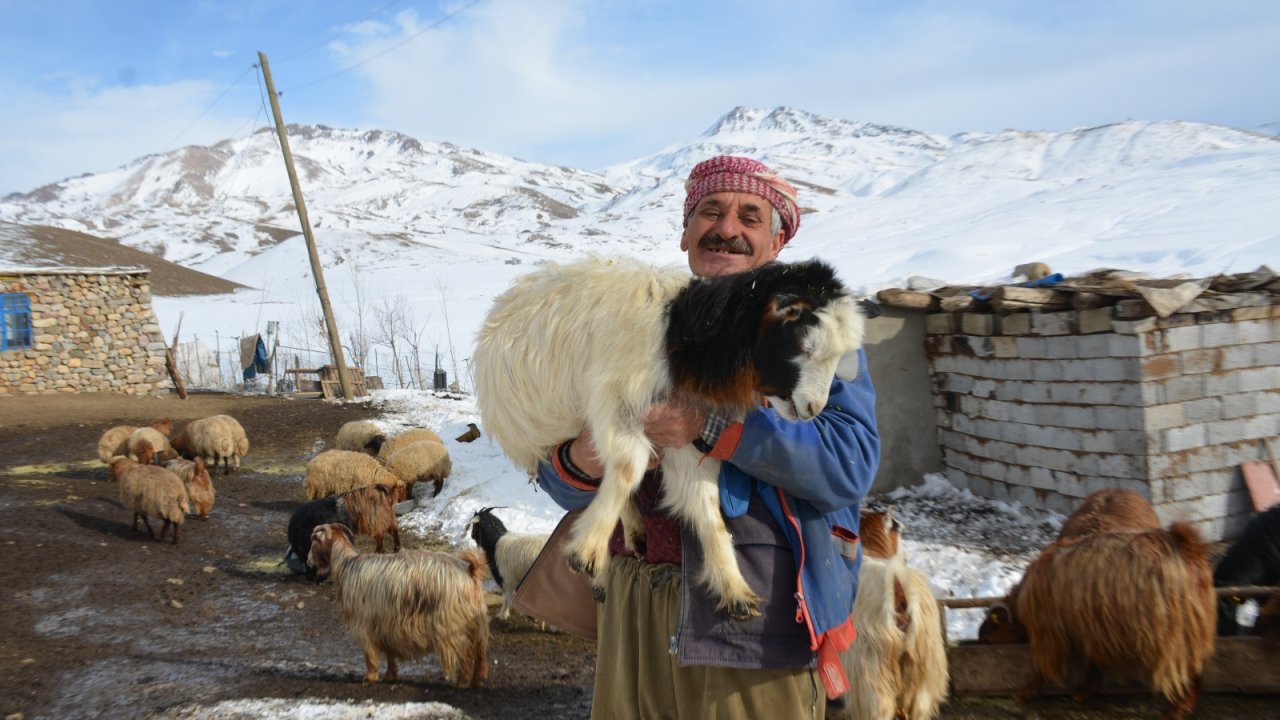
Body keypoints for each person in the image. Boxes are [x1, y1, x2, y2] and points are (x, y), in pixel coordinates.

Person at [536, 155, 880, 720]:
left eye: (750, 216)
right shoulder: (632, 321)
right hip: (632, 610)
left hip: (754, 620)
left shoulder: (815, 336)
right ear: (685, 233)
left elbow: (850, 464)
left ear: (776, 242)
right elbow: (560, 483)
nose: (727, 229)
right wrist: (583, 455)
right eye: (709, 212)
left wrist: (711, 427)